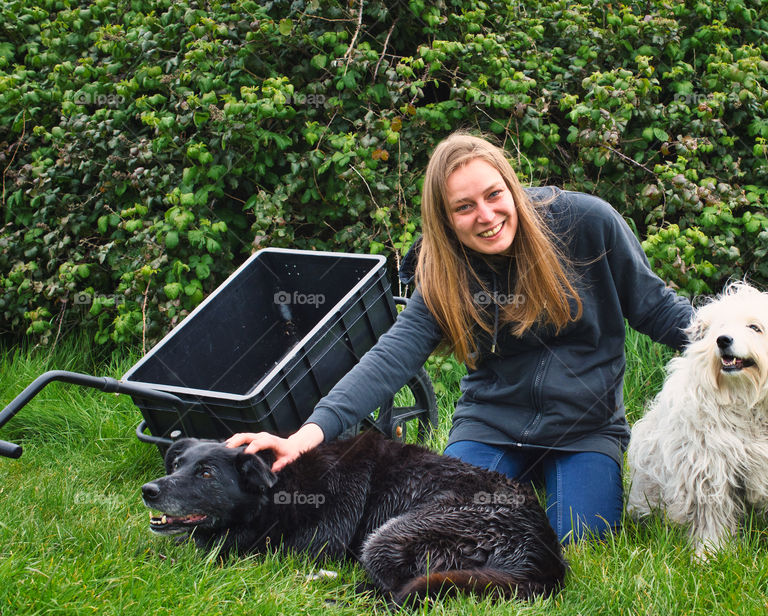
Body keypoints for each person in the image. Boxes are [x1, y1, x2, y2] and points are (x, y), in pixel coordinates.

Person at [226, 132, 694, 543]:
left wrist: (742, 344)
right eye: (464, 207)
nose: (486, 216)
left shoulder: (587, 223)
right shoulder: (442, 267)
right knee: (450, 525)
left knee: (579, 539)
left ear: (512, 187)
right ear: (446, 219)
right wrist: (310, 433)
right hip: (492, 424)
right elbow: (392, 357)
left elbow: (656, 309)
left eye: (494, 195)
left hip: (584, 426)